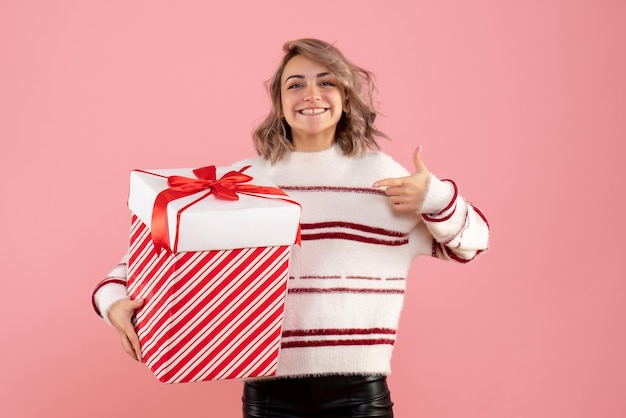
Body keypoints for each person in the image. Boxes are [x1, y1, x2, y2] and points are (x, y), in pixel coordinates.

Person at [92, 38, 490, 418]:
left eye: (327, 82)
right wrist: (112, 303)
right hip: (268, 394)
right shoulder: (242, 182)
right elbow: (147, 258)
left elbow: (469, 245)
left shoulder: (384, 177)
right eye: (295, 84)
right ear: (280, 103)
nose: (311, 94)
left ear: (347, 99)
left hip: (358, 396)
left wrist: (435, 198)